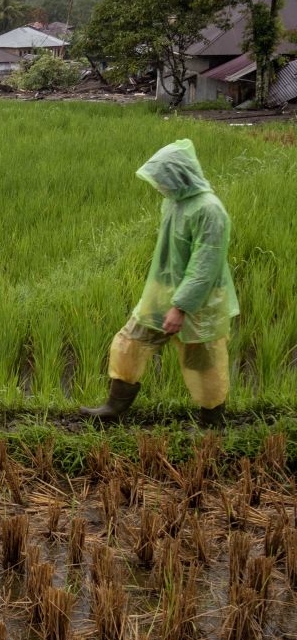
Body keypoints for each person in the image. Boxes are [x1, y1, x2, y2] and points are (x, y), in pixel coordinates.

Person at [81, 139, 238, 428]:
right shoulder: (174, 203)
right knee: (130, 342)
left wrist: (181, 307)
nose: (158, 186)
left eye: (162, 179)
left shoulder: (209, 211)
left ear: (179, 176)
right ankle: (113, 407)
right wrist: (165, 296)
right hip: (162, 293)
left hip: (201, 302)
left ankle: (211, 423)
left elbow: (205, 265)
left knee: (203, 362)